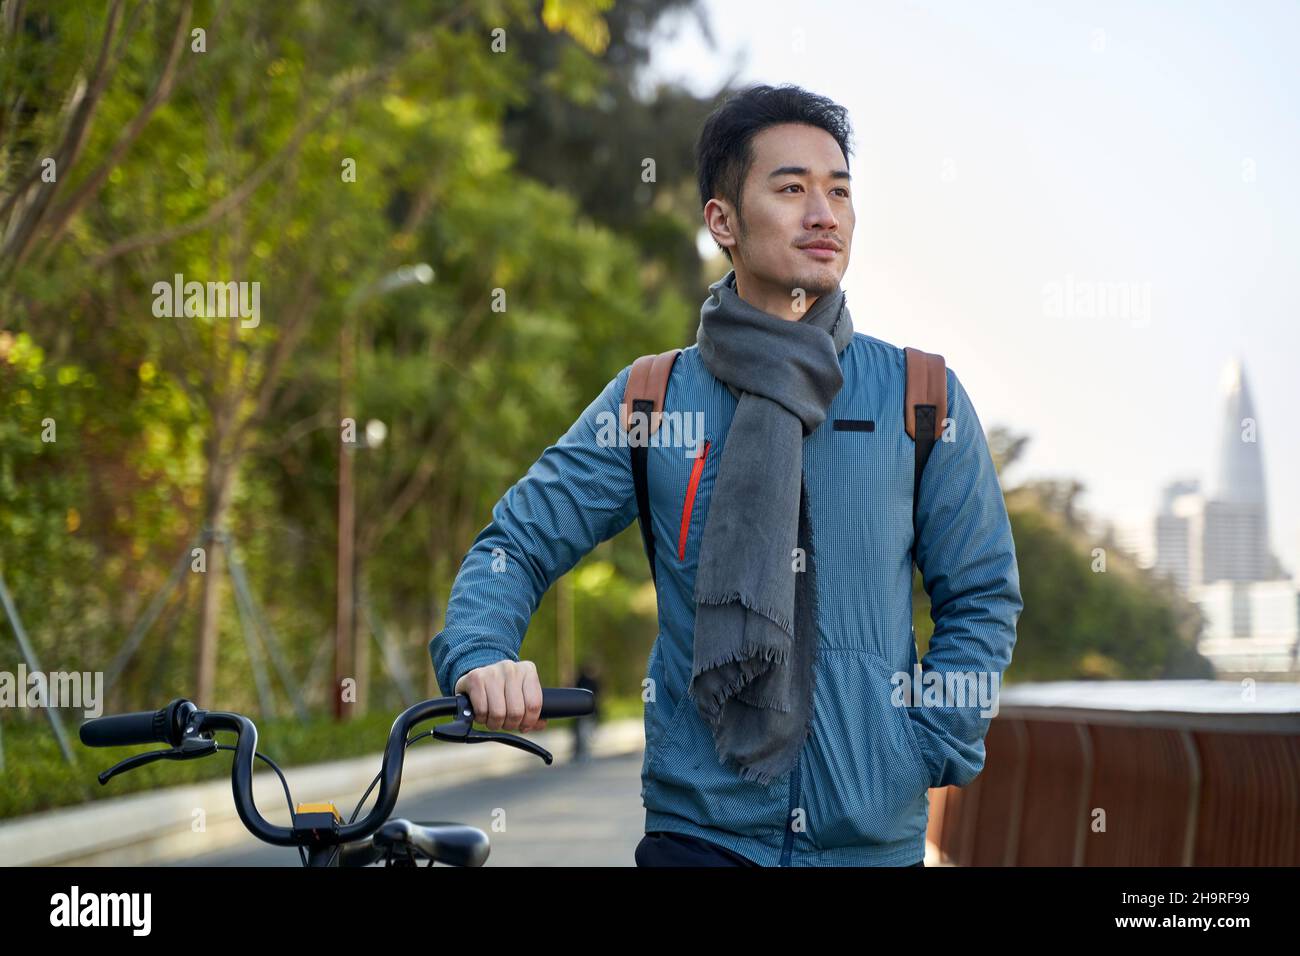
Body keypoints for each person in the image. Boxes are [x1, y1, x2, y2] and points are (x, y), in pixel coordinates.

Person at [430, 84, 1022, 867]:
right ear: (722, 221)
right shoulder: (652, 399)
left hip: (869, 845)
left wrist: (922, 750)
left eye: (839, 190)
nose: (825, 213)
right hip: (699, 837)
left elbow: (981, 595)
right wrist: (480, 654)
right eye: (791, 188)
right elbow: (520, 540)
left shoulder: (920, 398)